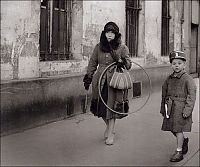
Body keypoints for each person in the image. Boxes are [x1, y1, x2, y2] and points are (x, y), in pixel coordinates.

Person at [83, 21, 132, 145]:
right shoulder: (98, 46)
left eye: (112, 33)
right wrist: (89, 77)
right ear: (104, 34)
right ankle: (110, 129)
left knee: (111, 108)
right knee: (101, 108)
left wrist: (121, 61)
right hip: (99, 81)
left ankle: (110, 133)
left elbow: (129, 65)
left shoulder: (122, 47)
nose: (109, 35)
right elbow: (93, 62)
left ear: (116, 35)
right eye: (107, 32)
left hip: (114, 83)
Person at [160, 51, 197, 162]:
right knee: (172, 128)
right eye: (174, 63)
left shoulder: (187, 79)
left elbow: (192, 95)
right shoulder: (169, 79)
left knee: (178, 129)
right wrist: (163, 108)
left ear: (184, 65)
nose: (176, 65)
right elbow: (164, 94)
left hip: (181, 109)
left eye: (179, 63)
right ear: (171, 65)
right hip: (170, 108)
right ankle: (184, 140)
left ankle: (179, 151)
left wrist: (187, 110)